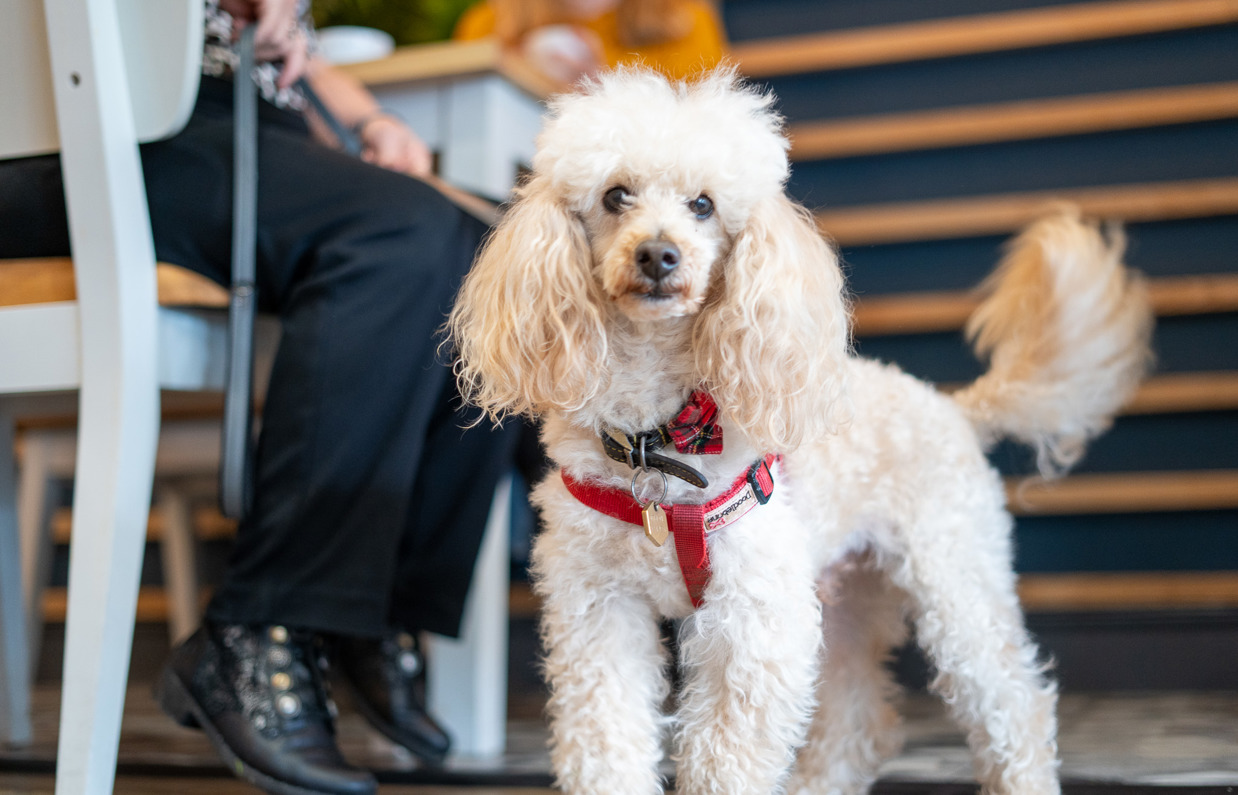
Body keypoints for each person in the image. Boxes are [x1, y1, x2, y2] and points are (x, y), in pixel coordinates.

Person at [0, 1, 517, 794]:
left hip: (230, 122)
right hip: (69, 123)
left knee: (499, 258)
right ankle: (261, 629)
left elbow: (285, 59)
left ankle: (365, 606)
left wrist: (370, 117)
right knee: (398, 236)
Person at [453, 0, 727, 84]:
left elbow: (699, 128)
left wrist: (603, 83)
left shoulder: (684, 21)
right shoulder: (488, 25)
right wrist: (518, 72)